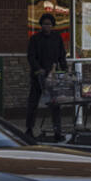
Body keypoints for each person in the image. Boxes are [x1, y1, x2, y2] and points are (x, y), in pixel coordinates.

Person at [25, 12, 68, 141]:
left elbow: (62, 55)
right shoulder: (35, 39)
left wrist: (64, 69)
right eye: (44, 24)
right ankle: (29, 129)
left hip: (53, 76)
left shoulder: (57, 38)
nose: (46, 27)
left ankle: (57, 131)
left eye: (49, 24)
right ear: (41, 25)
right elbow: (31, 57)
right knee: (33, 103)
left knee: (55, 104)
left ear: (53, 25)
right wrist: (38, 69)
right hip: (38, 77)